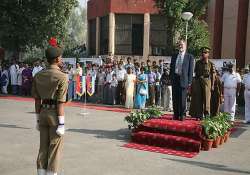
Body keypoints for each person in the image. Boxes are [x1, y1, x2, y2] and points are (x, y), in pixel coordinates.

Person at [32, 41, 68, 175]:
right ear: (57, 59)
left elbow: (37, 100)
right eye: (61, 57)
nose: (62, 59)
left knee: (43, 148)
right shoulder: (62, 76)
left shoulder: (38, 75)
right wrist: (62, 123)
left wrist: (37, 120)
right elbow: (60, 102)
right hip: (55, 115)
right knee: (54, 148)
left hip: (42, 113)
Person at [170, 39, 194, 121]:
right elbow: (171, 68)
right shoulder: (174, 56)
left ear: (185, 46)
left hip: (184, 80)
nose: (180, 46)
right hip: (175, 79)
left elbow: (190, 71)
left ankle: (182, 115)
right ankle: (176, 114)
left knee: (182, 99)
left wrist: (190, 82)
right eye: (179, 45)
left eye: (182, 45)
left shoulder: (189, 57)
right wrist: (171, 78)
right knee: (175, 98)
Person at [189, 47, 216, 119]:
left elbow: (213, 75)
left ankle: (207, 115)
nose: (203, 54)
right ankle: (198, 115)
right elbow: (195, 73)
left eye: (205, 53)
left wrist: (213, 85)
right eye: (202, 53)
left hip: (207, 82)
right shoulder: (198, 63)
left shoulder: (211, 64)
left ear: (208, 54)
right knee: (198, 99)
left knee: (207, 99)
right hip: (198, 81)